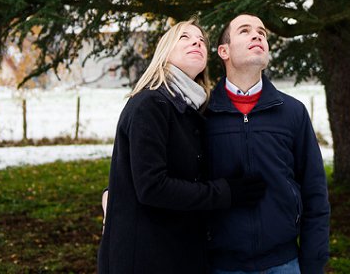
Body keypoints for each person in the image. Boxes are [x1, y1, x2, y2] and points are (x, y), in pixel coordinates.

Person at [97, 19, 266, 274]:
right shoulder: (151, 104)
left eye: (200, 40)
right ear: (165, 51)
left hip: (177, 254)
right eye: (184, 37)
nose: (196, 42)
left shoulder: (189, 110)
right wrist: (224, 192)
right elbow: (152, 187)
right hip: (144, 259)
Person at [206, 14, 330, 274]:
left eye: (262, 32)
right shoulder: (202, 114)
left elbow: (315, 192)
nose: (257, 35)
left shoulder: (293, 112)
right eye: (245, 30)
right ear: (223, 51)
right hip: (219, 265)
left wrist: (313, 262)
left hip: (283, 263)